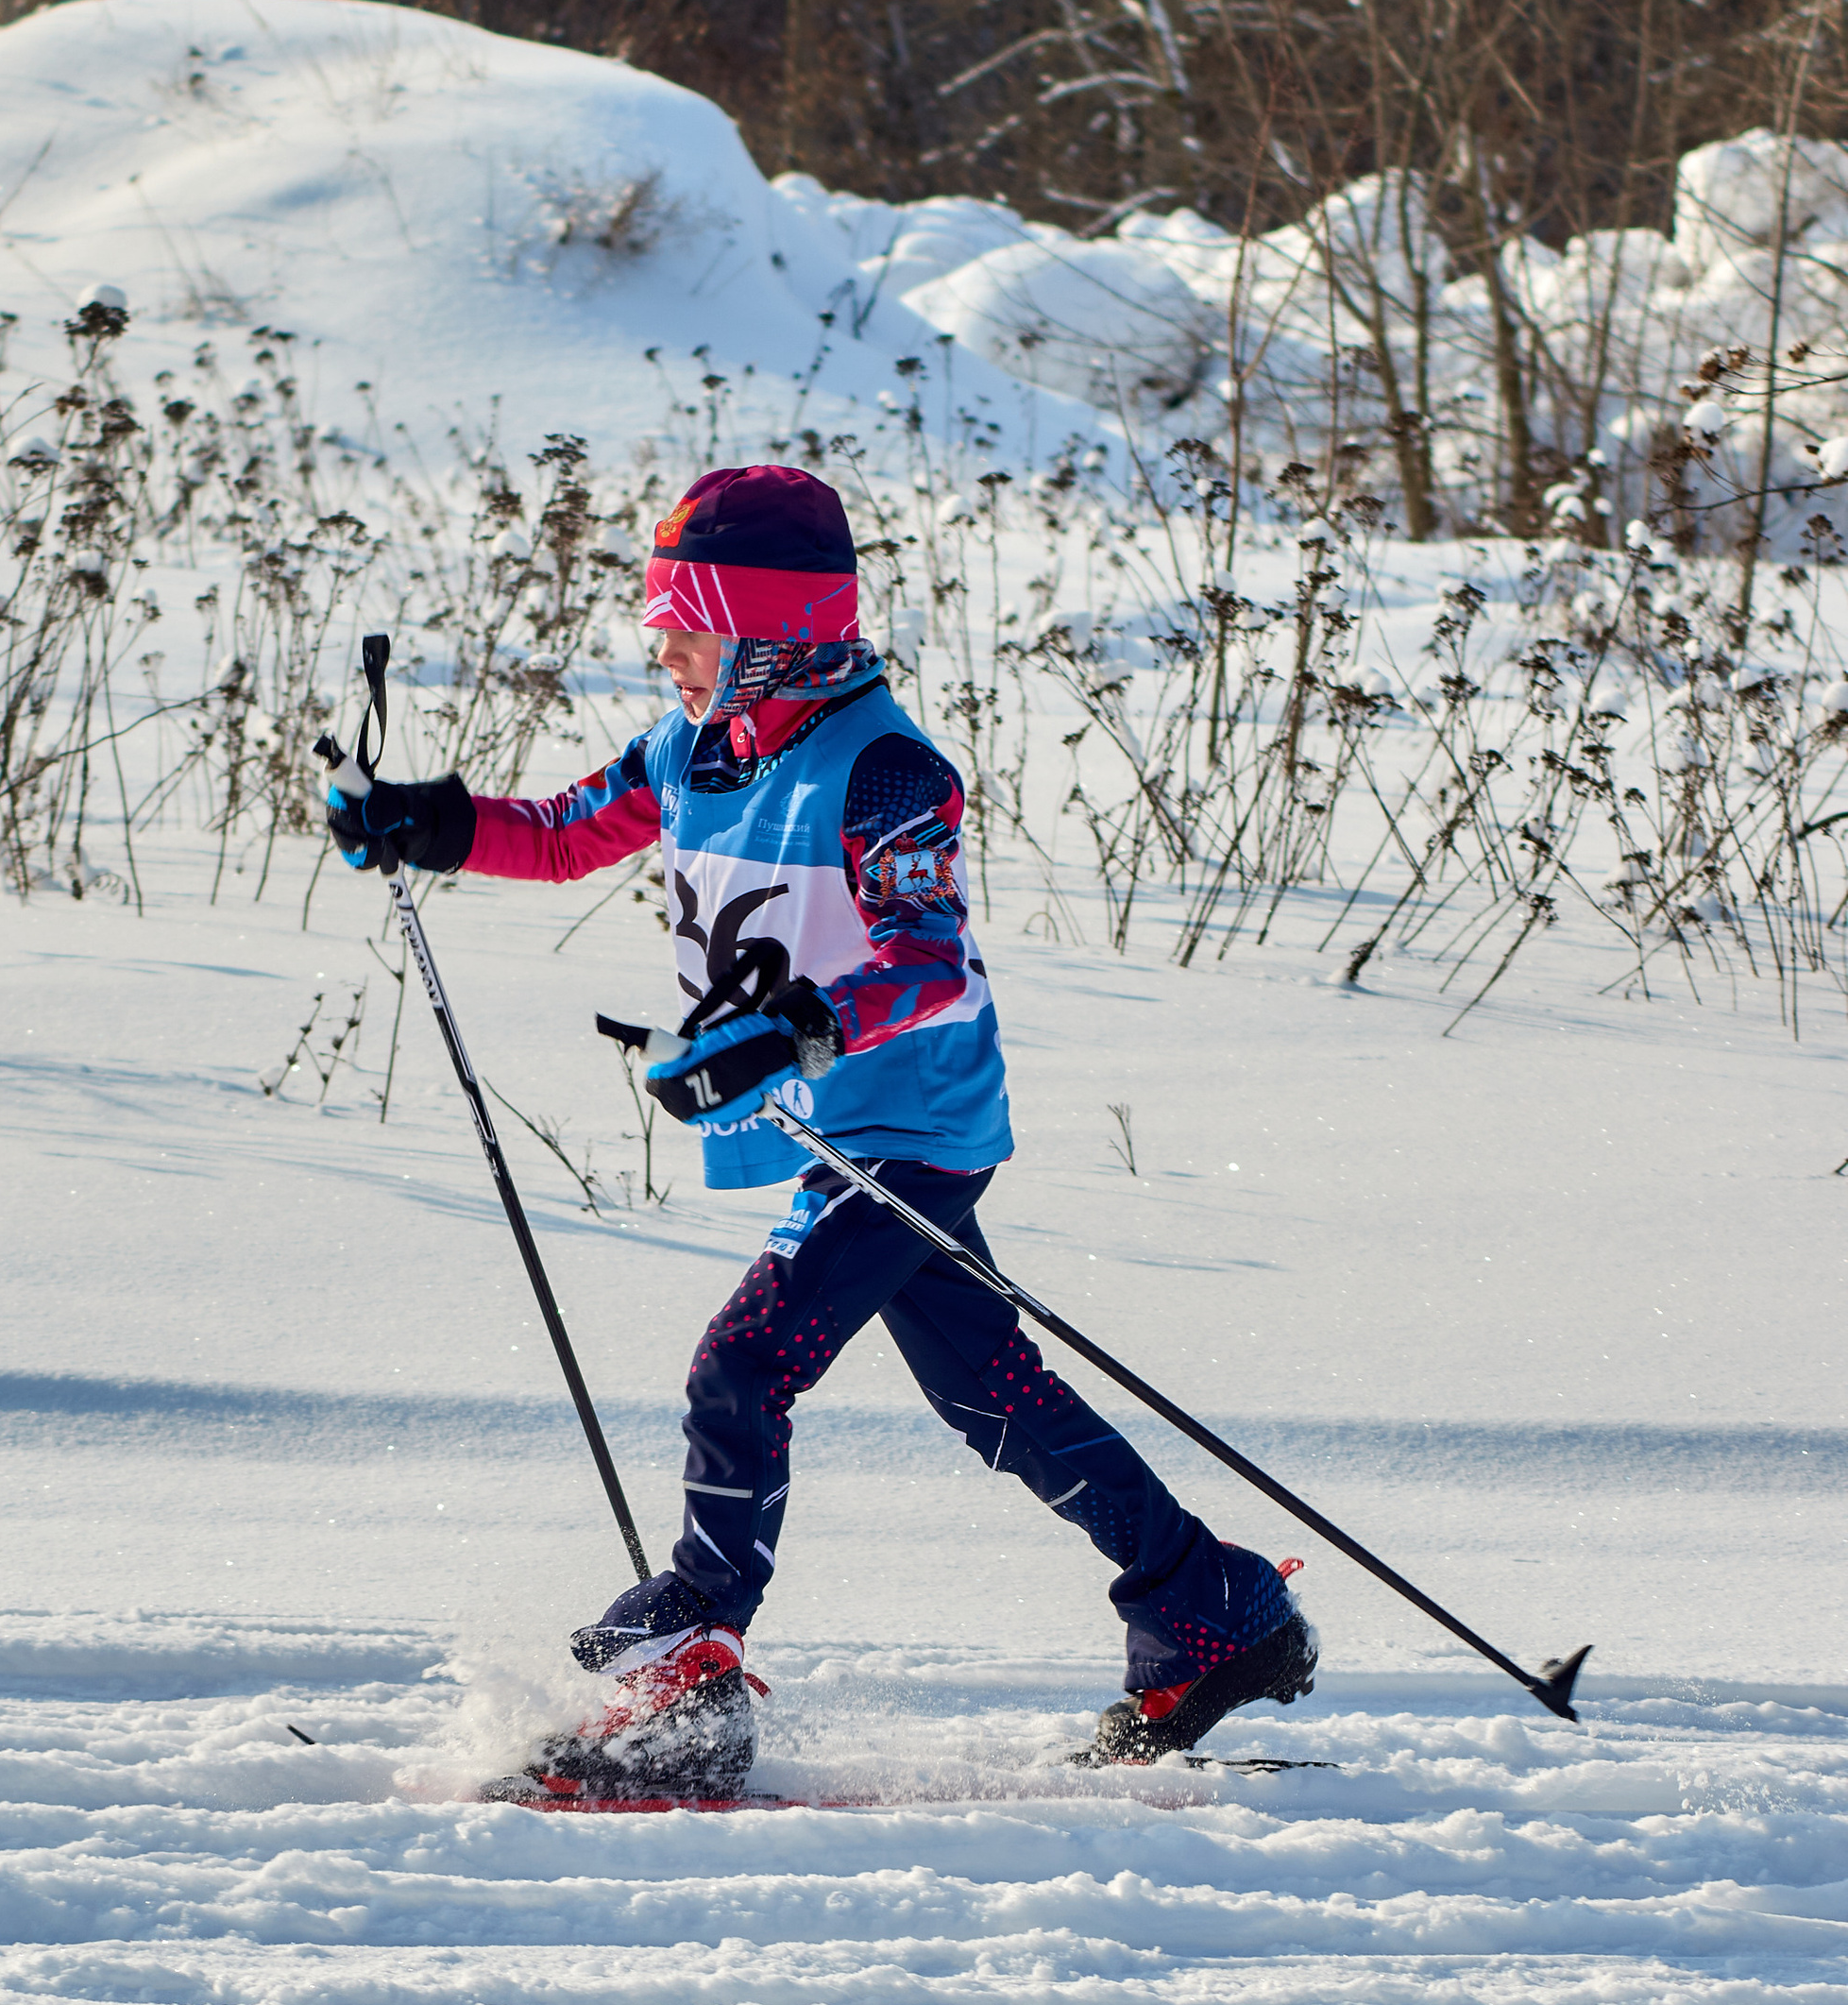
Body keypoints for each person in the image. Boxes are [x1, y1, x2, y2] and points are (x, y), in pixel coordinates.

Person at [327, 461, 1314, 1797]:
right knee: (992, 1397)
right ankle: (1208, 1605)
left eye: (687, 625)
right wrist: (428, 824)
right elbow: (563, 837)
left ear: (773, 631)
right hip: (840, 1123)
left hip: (909, 1126)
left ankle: (693, 1665)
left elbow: (934, 963)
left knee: (742, 1368)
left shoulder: (886, 769)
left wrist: (782, 1031)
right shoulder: (695, 749)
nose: (661, 649)